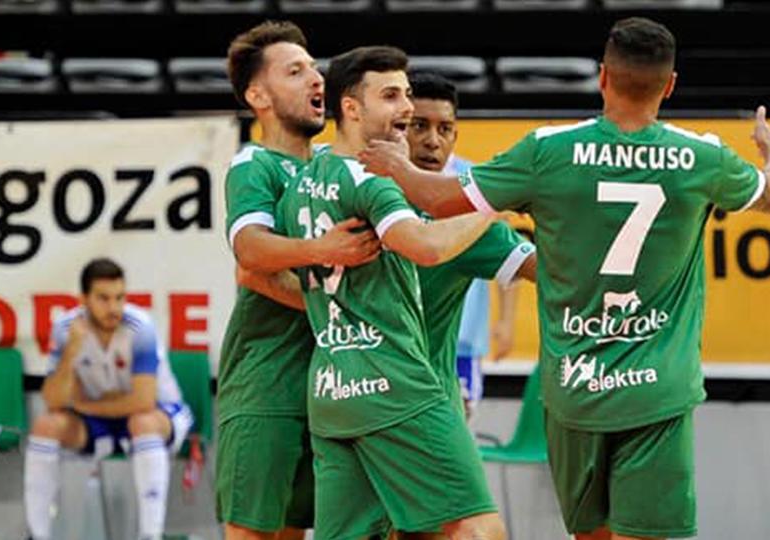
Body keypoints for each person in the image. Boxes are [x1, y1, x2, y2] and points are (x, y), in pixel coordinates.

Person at [360, 16, 770, 540]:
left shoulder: (547, 150)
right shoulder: (702, 157)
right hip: (656, 391)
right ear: (670, 85)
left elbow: (436, 200)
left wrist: (397, 167)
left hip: (573, 391)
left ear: (603, 76)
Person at [277, 45, 506, 540]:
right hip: (396, 382)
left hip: (334, 390)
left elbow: (276, 270)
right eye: (391, 96)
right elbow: (424, 246)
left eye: (406, 94)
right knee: (477, 527)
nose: (406, 107)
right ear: (351, 108)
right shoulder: (370, 178)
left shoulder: (301, 183)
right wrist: (491, 203)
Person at [218, 21, 380, 540]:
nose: (317, 80)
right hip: (266, 388)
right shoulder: (255, 165)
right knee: (253, 534)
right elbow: (249, 255)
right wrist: (321, 251)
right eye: (296, 71)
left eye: (315, 68)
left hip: (330, 386)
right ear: (257, 95)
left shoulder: (335, 167)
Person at [24, 258, 193, 540]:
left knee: (142, 422)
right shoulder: (66, 329)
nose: (114, 307)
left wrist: (86, 405)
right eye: (103, 298)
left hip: (160, 414)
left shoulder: (141, 328)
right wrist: (72, 352)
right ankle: (36, 535)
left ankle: (150, 535)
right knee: (45, 426)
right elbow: (54, 400)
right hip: (98, 422)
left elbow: (142, 401)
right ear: (84, 299)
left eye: (119, 297)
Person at [406, 71, 536, 420]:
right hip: (387, 352)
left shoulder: (477, 184)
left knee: (456, 430)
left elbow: (511, 255)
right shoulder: (376, 184)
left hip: (460, 340)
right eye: (419, 125)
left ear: (455, 133)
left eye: (443, 128)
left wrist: (505, 322)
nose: (432, 140)